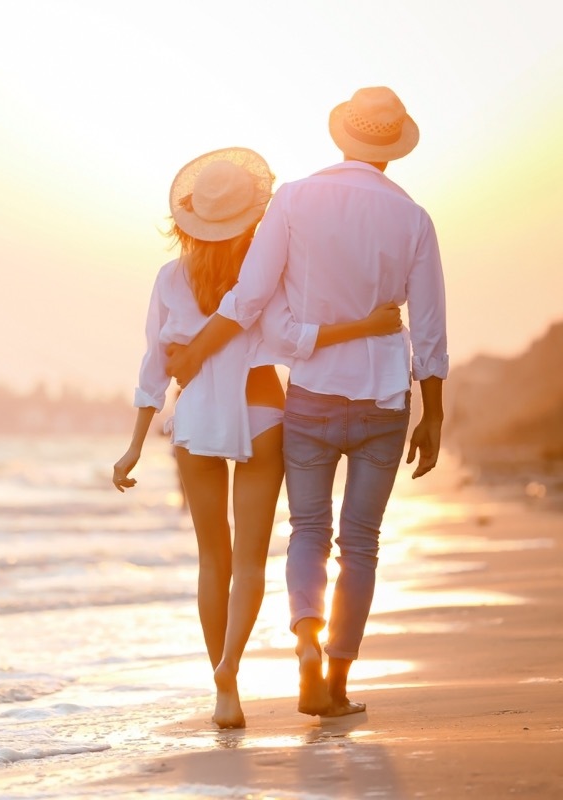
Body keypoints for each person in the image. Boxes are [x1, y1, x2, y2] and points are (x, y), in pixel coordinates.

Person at [166, 87, 449, 718]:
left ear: (340, 137)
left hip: (313, 396)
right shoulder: (414, 220)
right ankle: (338, 681)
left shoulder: (294, 199)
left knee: (309, 531)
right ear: (392, 149)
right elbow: (428, 326)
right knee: (362, 543)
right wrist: (434, 412)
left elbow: (248, 299)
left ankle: (305, 645)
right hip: (383, 397)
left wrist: (192, 355)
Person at [112, 147, 402, 729]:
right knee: (250, 561)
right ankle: (230, 661)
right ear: (255, 216)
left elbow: (153, 365)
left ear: (188, 219)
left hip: (194, 421)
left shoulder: (170, 279)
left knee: (211, 559)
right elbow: (296, 338)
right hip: (264, 410)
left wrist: (135, 443)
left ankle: (227, 692)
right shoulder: (270, 274)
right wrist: (369, 325)